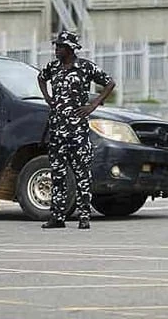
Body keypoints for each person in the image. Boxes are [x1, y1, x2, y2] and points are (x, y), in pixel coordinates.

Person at [37, 31, 115, 230]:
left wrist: (93, 105)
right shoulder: (53, 68)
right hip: (57, 131)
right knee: (58, 174)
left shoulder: (85, 67)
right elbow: (41, 78)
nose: (56, 50)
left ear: (70, 49)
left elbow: (109, 83)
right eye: (56, 46)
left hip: (77, 132)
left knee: (82, 175)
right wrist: (47, 98)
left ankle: (84, 216)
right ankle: (57, 217)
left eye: (60, 47)